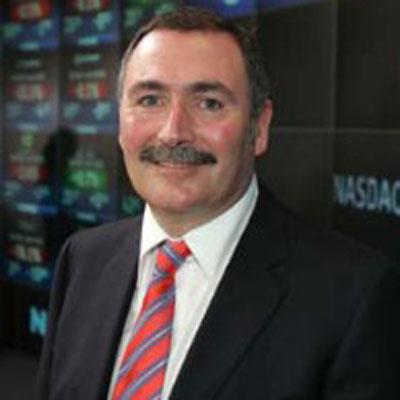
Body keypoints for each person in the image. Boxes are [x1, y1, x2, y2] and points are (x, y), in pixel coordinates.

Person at [37, 7, 400, 400]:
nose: (173, 132)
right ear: (121, 121)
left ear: (259, 127)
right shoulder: (82, 259)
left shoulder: (353, 297)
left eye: (209, 103)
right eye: (150, 99)